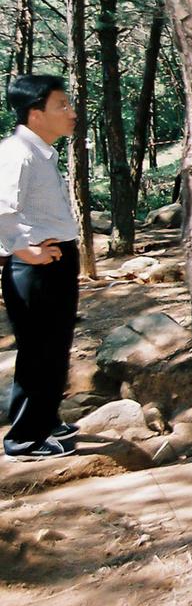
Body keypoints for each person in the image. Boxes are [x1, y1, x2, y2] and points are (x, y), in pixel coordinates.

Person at [0, 75, 82, 460]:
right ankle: (24, 439)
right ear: (36, 114)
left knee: (55, 345)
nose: (71, 113)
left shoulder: (41, 152)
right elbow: (1, 208)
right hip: (34, 267)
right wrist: (23, 250)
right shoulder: (17, 152)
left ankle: (45, 419)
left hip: (55, 259)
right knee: (37, 350)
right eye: (61, 106)